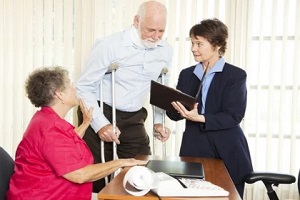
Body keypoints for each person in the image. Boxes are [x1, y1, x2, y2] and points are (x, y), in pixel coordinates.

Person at [6, 66, 147, 200]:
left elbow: (64, 145)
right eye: (70, 85)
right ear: (59, 94)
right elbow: (80, 174)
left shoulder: (46, 118)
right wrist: (122, 161)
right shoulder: (50, 129)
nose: (75, 89)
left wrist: (86, 123)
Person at [76, 0, 173, 192]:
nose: (156, 36)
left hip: (134, 116)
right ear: (136, 21)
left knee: (141, 171)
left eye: (161, 31)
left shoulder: (165, 50)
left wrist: (159, 122)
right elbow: (84, 86)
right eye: (150, 30)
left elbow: (161, 88)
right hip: (101, 111)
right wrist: (100, 123)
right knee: (98, 177)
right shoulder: (109, 45)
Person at [167, 18, 253, 198]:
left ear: (218, 44)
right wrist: (172, 105)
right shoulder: (187, 74)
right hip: (194, 148)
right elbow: (174, 114)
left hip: (228, 149)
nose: (193, 48)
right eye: (192, 43)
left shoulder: (235, 75)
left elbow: (233, 116)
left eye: (199, 43)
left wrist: (200, 118)